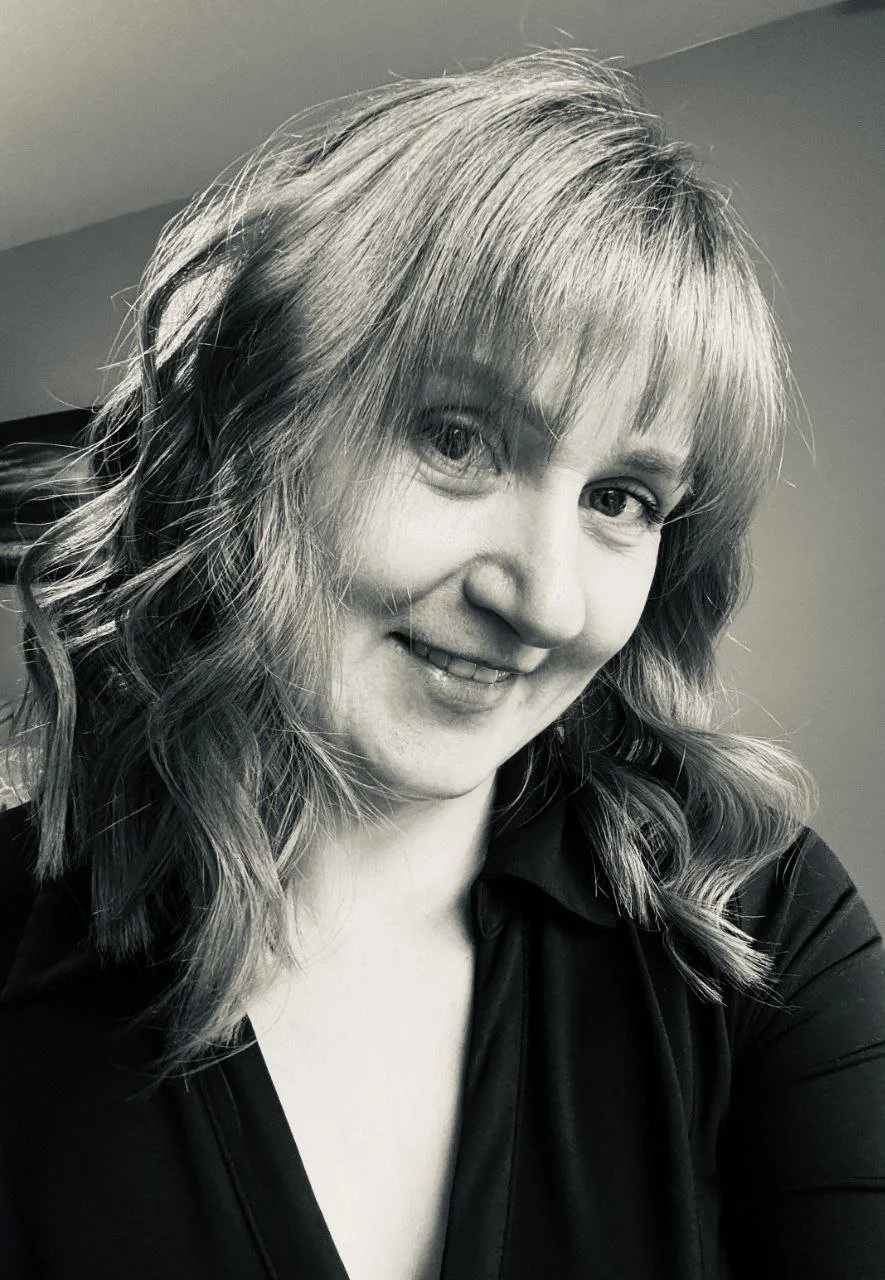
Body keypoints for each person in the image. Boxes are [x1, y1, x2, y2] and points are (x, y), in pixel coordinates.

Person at [1, 49, 883, 1280]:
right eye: (458, 439)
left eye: (623, 497)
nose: (545, 596)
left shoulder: (752, 915)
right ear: (251, 432)